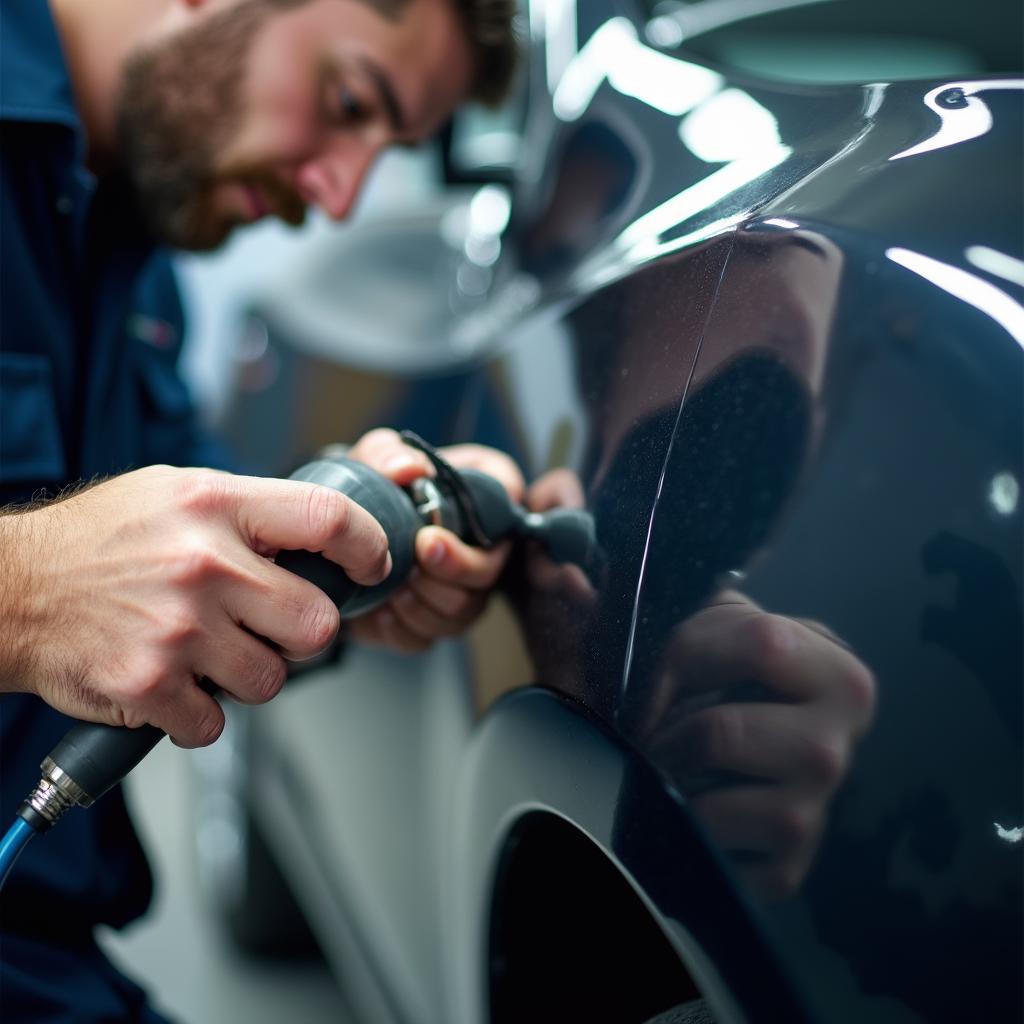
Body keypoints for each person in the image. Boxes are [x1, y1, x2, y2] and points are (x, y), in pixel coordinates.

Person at [0, 0, 518, 1017]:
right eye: (348, 101)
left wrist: (354, 553)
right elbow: (71, 577)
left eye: (387, 148)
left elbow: (188, 570)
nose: (338, 195)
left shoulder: (134, 261)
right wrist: (29, 586)